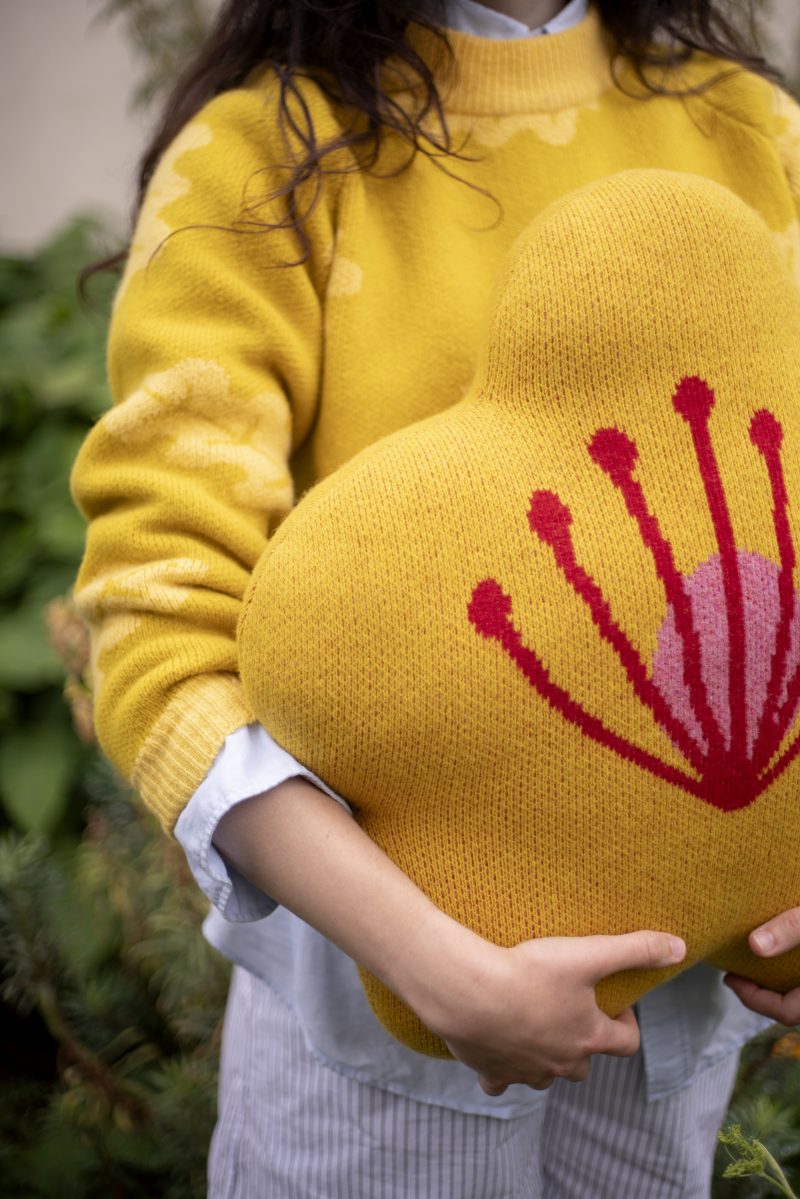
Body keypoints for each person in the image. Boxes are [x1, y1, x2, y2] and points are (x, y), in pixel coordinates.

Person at [72, 1, 800, 1194]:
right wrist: (430, 962)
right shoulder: (263, 158)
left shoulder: (747, 130)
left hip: (686, 1021)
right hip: (370, 1030)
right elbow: (162, 627)